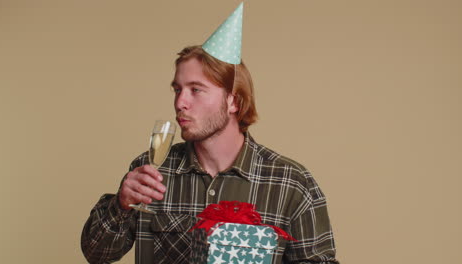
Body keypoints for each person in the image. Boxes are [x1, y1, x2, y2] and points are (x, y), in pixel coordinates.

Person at [81, 3, 338, 264]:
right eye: (177, 89)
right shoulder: (150, 173)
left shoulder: (291, 183)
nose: (180, 102)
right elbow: (97, 253)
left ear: (233, 102)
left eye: (196, 89)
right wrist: (121, 204)